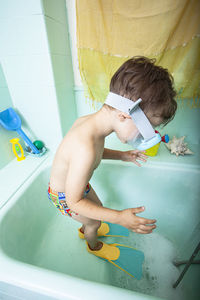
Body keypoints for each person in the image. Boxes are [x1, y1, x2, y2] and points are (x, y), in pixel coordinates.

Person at [48, 56, 177, 267]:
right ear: (124, 115)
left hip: (77, 188)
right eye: (145, 130)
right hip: (65, 197)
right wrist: (118, 218)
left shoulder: (90, 126)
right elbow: (74, 202)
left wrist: (123, 155)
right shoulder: (85, 148)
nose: (142, 139)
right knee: (95, 220)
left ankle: (87, 226)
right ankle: (92, 243)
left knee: (97, 208)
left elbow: (96, 152)